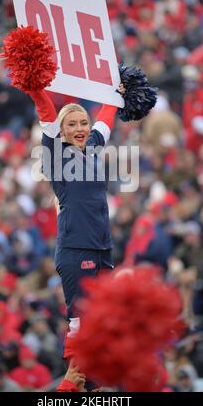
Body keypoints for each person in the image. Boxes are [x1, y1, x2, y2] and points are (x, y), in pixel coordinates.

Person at [28, 85, 125, 359]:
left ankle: (93, 387)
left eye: (84, 122)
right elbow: (47, 116)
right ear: (62, 131)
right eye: (71, 124)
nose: (80, 128)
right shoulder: (55, 155)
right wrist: (35, 87)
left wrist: (115, 95)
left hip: (102, 248)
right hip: (75, 248)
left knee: (103, 321)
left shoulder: (92, 148)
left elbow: (105, 122)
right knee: (81, 324)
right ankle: (72, 387)